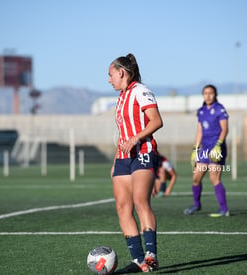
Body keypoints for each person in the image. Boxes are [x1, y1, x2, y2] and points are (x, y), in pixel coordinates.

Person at [109, 53, 163, 273]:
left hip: (143, 152)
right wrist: (115, 160)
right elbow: (123, 133)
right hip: (123, 157)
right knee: (123, 207)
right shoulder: (121, 97)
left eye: (110, 74)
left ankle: (150, 255)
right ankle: (138, 260)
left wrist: (137, 138)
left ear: (121, 73)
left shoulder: (140, 90)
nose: (109, 79)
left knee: (141, 201)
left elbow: (157, 120)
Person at [183, 84, 230, 217]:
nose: (208, 96)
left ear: (215, 95)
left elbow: (225, 129)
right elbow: (199, 131)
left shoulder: (220, 109)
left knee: (214, 177)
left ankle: (224, 209)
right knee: (196, 177)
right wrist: (195, 149)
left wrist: (218, 144)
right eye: (205, 93)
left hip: (217, 148)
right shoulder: (201, 111)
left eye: (211, 93)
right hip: (204, 149)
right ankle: (196, 205)